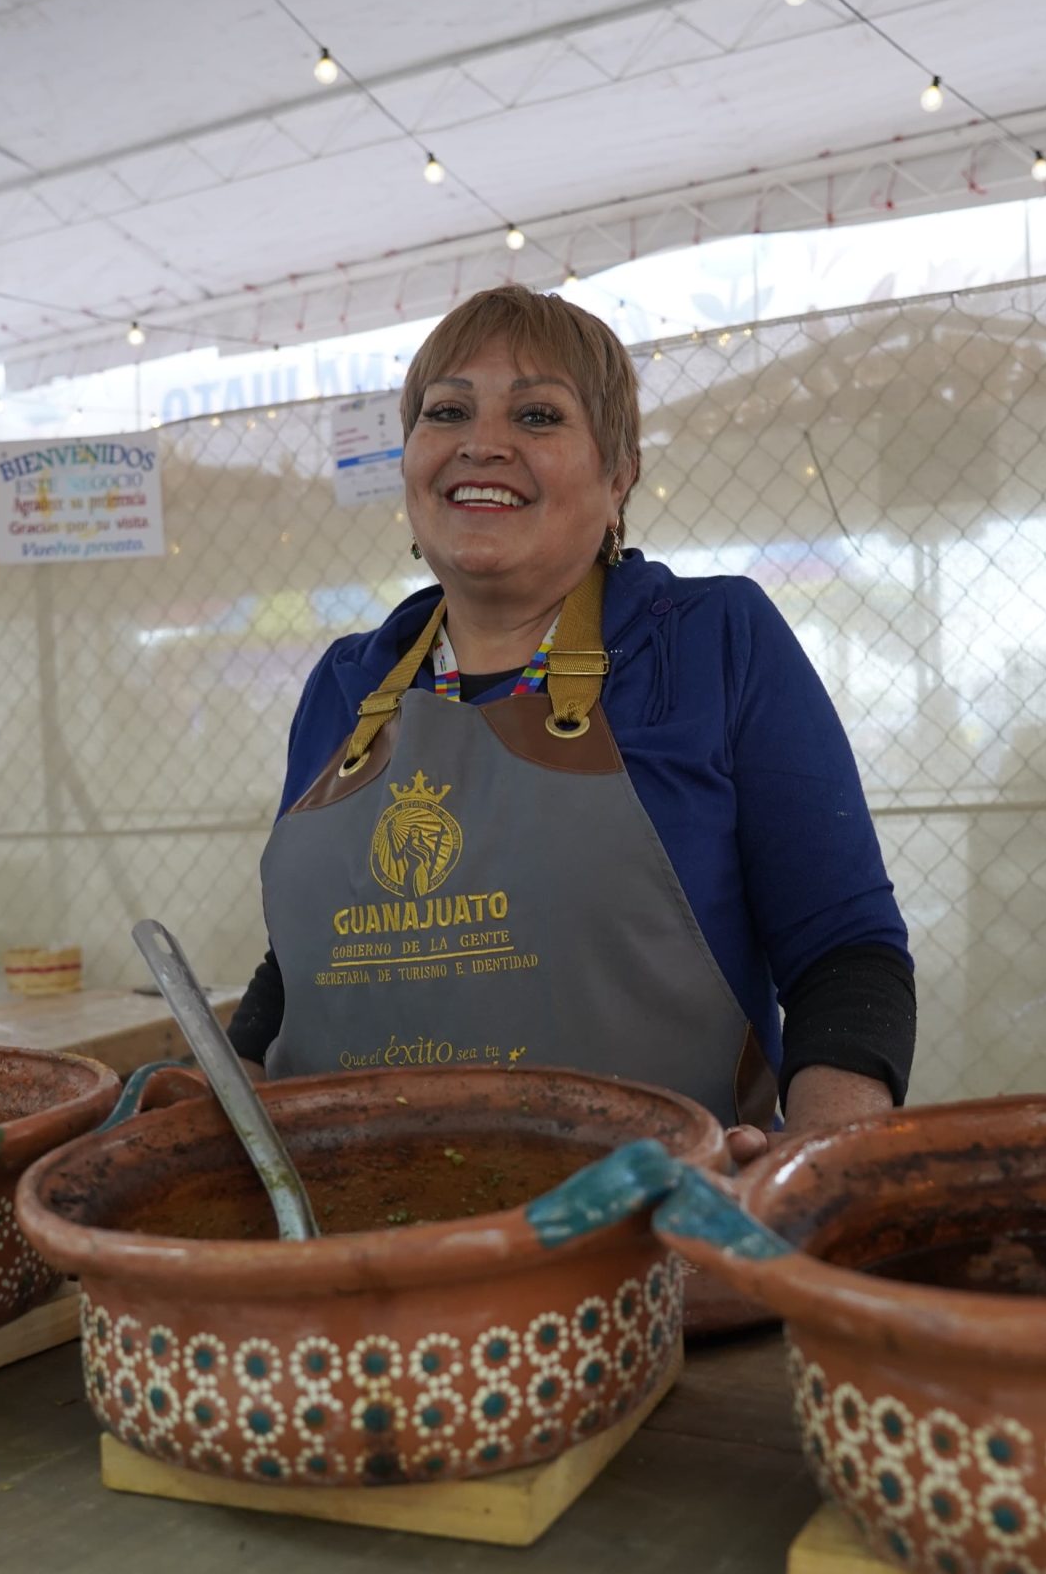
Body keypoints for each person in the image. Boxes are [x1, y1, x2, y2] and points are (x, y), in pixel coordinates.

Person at [220, 285, 915, 1178]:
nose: (483, 443)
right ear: (412, 458)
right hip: (347, 1224)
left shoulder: (710, 643)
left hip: (647, 1234)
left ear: (619, 471)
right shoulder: (347, 684)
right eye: (448, 411)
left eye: (538, 414)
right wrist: (218, 1090)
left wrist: (815, 1165)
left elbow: (843, 952)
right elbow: (305, 967)